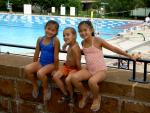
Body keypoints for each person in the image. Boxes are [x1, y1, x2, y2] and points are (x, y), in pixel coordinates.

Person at [71, 20, 136, 112]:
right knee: (74, 78)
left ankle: (96, 98)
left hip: (100, 71)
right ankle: (85, 94)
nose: (83, 33)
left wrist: (129, 56)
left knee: (92, 81)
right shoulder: (82, 43)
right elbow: (85, 52)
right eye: (80, 31)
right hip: (89, 70)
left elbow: (113, 48)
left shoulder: (97, 40)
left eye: (85, 30)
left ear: (91, 30)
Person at [24, 20, 60, 101]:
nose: (50, 31)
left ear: (56, 32)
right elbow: (36, 53)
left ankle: (46, 88)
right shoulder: (40, 39)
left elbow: (56, 57)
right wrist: (34, 64)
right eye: (48, 29)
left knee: (40, 73)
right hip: (41, 63)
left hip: (51, 64)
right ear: (45, 28)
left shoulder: (55, 41)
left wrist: (56, 69)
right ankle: (35, 85)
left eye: (53, 30)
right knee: (27, 69)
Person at [53, 27, 81, 106]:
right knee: (55, 77)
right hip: (66, 67)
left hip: (74, 69)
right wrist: (65, 44)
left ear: (75, 36)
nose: (65, 37)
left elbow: (78, 62)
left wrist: (79, 72)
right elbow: (63, 47)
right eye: (64, 35)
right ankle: (65, 94)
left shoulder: (75, 48)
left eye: (68, 35)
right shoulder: (70, 44)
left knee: (68, 80)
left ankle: (72, 96)